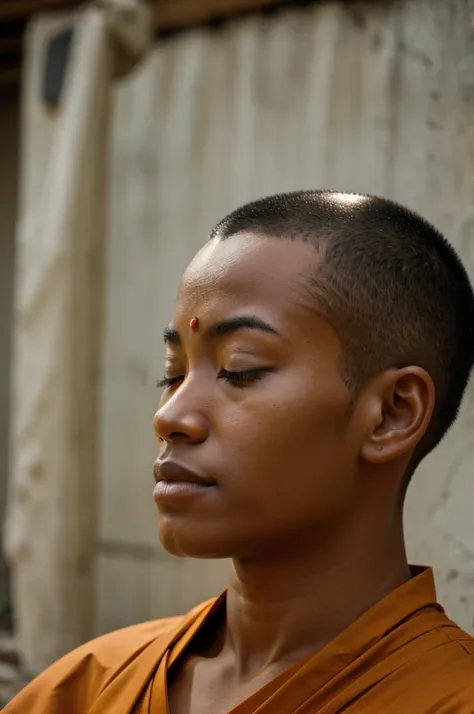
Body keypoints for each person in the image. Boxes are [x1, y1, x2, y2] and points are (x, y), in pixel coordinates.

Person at [6, 190, 474, 714]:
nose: (171, 417)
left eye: (238, 368)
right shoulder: (88, 687)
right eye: (173, 374)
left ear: (391, 413)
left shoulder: (448, 699)